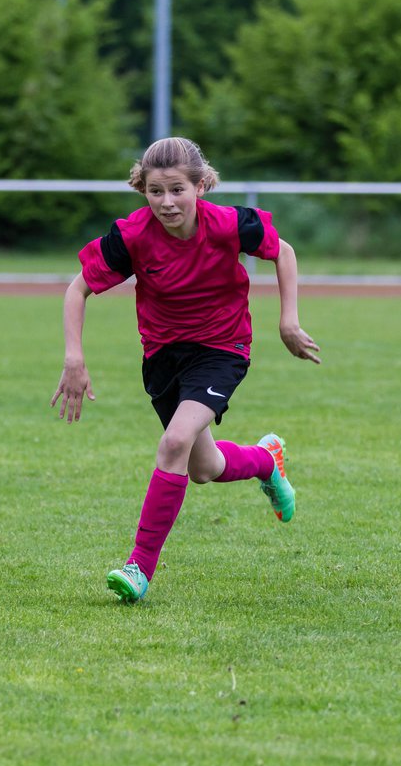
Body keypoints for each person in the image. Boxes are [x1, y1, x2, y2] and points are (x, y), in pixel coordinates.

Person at [51, 137, 320, 602]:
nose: (166, 202)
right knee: (204, 467)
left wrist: (288, 320)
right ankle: (266, 461)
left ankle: (138, 569)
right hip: (162, 357)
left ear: (200, 186)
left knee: (173, 443)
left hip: (222, 348)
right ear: (144, 189)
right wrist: (74, 357)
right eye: (155, 191)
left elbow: (285, 252)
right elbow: (77, 290)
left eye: (177, 189)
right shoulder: (132, 236)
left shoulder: (231, 224)